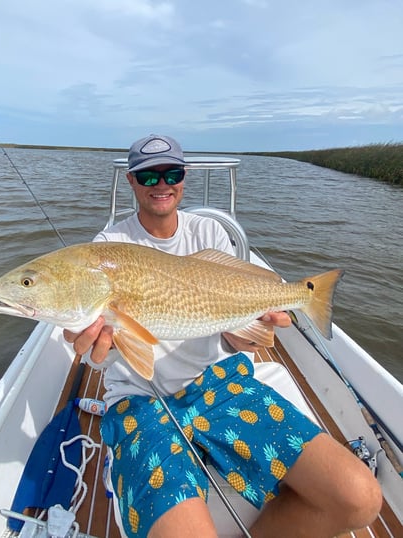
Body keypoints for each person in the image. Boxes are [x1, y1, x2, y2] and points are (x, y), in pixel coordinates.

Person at [64, 134, 382, 537]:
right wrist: (88, 346)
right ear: (131, 181)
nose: (161, 183)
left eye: (171, 172)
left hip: (219, 384)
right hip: (141, 401)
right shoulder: (108, 247)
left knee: (360, 498)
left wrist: (260, 327)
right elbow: (96, 352)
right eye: (148, 176)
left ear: (184, 177)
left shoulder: (211, 234)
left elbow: (238, 341)